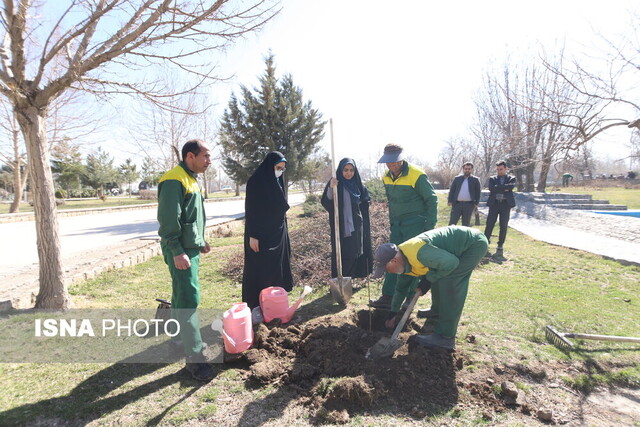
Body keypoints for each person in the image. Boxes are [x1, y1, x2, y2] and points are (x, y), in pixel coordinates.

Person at [372, 226, 488, 350]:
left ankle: (446, 337)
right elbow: (401, 289)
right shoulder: (403, 261)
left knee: (449, 282)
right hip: (450, 253)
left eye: (386, 269)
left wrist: (428, 280)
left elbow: (452, 263)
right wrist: (393, 313)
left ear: (394, 261)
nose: (387, 272)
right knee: (439, 276)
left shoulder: (419, 253)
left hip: (472, 245)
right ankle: (436, 310)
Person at [157, 139, 213, 381]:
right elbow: (169, 221)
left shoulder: (191, 179)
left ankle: (179, 339)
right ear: (190, 156)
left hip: (190, 248)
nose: (209, 161)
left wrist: (201, 240)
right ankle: (196, 359)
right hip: (180, 250)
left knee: (181, 296)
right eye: (206, 156)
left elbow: (193, 216)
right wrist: (176, 251)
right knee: (189, 299)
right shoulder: (174, 179)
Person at [369, 144, 438, 309]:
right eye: (389, 162)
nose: (392, 165)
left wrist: (428, 227)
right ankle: (388, 296)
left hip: (416, 225)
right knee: (392, 257)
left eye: (395, 161)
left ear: (402, 159)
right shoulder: (386, 177)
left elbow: (432, 199)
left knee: (411, 260)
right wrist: (392, 223)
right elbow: (392, 203)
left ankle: (409, 297)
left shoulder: (417, 175)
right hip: (397, 226)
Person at [242, 151, 294, 309]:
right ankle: (257, 305)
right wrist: (253, 235)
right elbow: (251, 211)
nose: (280, 171)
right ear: (269, 166)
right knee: (260, 269)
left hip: (277, 233)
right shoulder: (256, 182)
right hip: (260, 235)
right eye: (277, 167)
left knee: (276, 269)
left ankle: (275, 303)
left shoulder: (277, 182)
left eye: (282, 169)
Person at [321, 158, 373, 278]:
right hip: (341, 226)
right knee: (344, 254)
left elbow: (365, 201)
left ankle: (350, 279)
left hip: (356, 226)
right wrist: (330, 187)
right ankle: (341, 279)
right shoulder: (336, 184)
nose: (348, 173)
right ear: (341, 170)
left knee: (356, 253)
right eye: (345, 170)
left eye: (351, 170)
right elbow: (327, 202)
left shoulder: (358, 185)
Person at [483, 160, 516, 257]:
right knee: (489, 224)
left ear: (506, 169)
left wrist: (499, 187)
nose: (499, 171)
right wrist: (504, 188)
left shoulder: (511, 178)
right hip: (494, 204)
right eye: (497, 169)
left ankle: (500, 244)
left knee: (503, 225)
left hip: (505, 205)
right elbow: (492, 188)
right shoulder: (492, 178)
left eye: (501, 169)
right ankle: (485, 242)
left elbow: (511, 187)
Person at [448, 162, 482, 227]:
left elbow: (478, 192)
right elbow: (452, 190)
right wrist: (450, 200)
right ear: (463, 169)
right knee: (452, 223)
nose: (467, 170)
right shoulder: (457, 179)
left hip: (469, 205)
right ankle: (449, 236)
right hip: (457, 204)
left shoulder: (475, 180)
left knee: (466, 225)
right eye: (465, 169)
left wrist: (476, 203)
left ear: (471, 170)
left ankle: (464, 237)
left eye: (469, 169)